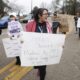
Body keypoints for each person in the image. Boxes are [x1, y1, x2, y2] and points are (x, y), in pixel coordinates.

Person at [25, 8, 52, 80]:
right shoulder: (31, 24)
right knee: (39, 67)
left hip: (44, 51)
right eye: (45, 14)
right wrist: (23, 41)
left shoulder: (48, 24)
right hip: (35, 52)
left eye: (47, 14)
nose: (47, 15)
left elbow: (52, 38)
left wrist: (58, 45)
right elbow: (26, 37)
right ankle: (39, 70)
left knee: (43, 68)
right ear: (39, 15)